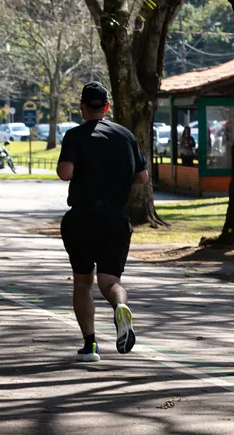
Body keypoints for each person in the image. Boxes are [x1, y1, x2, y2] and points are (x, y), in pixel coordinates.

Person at [56, 81, 149, 362]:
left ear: (82, 107)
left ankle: (91, 345)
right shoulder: (125, 135)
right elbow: (142, 177)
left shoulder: (75, 136)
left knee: (83, 282)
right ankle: (120, 306)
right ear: (107, 107)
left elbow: (65, 173)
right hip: (116, 219)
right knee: (110, 280)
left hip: (83, 217)